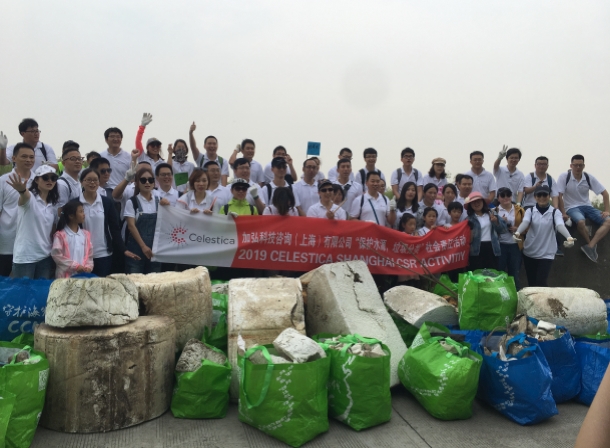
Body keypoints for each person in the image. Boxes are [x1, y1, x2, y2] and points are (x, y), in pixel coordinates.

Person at [80, 168, 139, 276]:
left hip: (103, 253)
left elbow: (114, 228)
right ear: (81, 182)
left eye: (95, 180)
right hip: (82, 254)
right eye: (88, 180)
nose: (92, 183)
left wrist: (123, 249)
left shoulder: (106, 202)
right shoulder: (76, 203)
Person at [514, 185, 575, 287]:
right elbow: (525, 222)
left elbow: (560, 225)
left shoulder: (555, 212)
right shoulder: (530, 211)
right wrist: (517, 233)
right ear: (535, 197)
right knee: (532, 284)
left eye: (544, 195)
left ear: (549, 196)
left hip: (547, 253)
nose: (542, 197)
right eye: (539, 195)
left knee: (541, 283)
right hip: (530, 252)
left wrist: (569, 237)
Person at [8, 165, 60, 279]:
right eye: (45, 177)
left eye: (53, 178)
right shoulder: (30, 198)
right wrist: (21, 189)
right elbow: (24, 194)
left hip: (45, 256)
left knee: (40, 293)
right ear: (36, 180)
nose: (50, 180)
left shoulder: (52, 205)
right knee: (22, 295)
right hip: (26, 257)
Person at [557, 154, 610, 263]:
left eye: (580, 165)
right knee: (581, 222)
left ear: (583, 166)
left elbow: (605, 193)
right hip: (571, 207)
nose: (578, 168)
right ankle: (590, 245)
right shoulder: (564, 177)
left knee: (608, 221)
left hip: (587, 206)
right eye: (575, 165)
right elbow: (559, 196)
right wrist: (563, 212)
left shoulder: (588, 177)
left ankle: (590, 246)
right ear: (571, 165)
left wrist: (607, 210)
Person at [124, 168, 170, 274]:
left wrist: (168, 206)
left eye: (150, 180)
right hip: (136, 250)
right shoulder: (132, 202)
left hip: (155, 250)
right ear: (136, 183)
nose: (147, 183)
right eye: (143, 180)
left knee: (154, 284)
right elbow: (131, 226)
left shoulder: (160, 201)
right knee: (135, 283)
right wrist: (143, 246)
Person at [0, 143, 35, 276]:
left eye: (31, 157)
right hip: (7, 243)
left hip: (30, 243)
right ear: (14, 158)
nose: (28, 160)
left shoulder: (38, 180)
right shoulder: (3, 181)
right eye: (24, 156)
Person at [464, 191, 507, 271]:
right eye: (473, 202)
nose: (476, 204)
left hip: (492, 248)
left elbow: (504, 229)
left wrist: (496, 221)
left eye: (478, 201)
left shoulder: (492, 213)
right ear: (470, 205)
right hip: (476, 250)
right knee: (477, 276)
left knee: (492, 275)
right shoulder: (468, 219)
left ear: (483, 202)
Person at [51, 200, 94, 278]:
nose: (83, 214)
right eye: (80, 212)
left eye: (83, 211)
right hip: (65, 278)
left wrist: (88, 267)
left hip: (82, 277)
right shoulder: (60, 235)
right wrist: (75, 266)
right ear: (71, 216)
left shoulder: (85, 235)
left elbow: (89, 255)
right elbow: (57, 255)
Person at [495, 187, 524, 290]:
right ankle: (498, 296)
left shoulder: (520, 210)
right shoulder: (494, 211)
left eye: (508, 195)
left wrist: (518, 229)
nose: (506, 197)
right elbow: (491, 229)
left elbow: (528, 227)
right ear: (498, 198)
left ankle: (516, 297)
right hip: (500, 246)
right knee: (499, 273)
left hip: (515, 245)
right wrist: (500, 223)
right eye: (502, 195)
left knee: (514, 274)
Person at [57, 141, 84, 208]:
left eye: (79, 159)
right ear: (63, 163)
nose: (77, 161)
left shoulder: (78, 182)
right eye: (73, 159)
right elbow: (60, 212)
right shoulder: (61, 185)